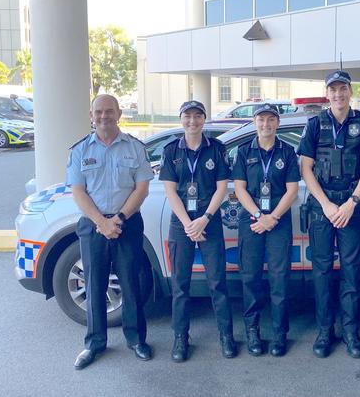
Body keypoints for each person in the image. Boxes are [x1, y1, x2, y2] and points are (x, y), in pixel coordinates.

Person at [297, 70, 360, 358]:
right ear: (327, 93)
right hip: (323, 209)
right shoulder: (314, 125)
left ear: (350, 91)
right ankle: (324, 332)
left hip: (351, 208)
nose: (338, 94)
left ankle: (350, 332)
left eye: (342, 89)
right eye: (333, 90)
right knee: (321, 272)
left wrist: (351, 202)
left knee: (351, 272)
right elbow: (305, 168)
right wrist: (326, 204)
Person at [67, 94, 154, 370]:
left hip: (127, 223)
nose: (104, 116)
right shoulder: (80, 150)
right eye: (99, 112)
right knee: (95, 285)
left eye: (109, 111)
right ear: (91, 116)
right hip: (93, 226)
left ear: (119, 114)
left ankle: (137, 339)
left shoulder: (135, 148)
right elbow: (78, 192)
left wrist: (118, 218)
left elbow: (142, 188)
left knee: (131, 283)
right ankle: (94, 343)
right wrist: (101, 222)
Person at [159, 100, 237, 362]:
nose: (192, 121)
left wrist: (204, 218)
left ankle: (226, 335)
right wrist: (188, 224)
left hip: (209, 220)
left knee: (218, 282)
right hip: (181, 223)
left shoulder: (216, 148)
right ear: (181, 119)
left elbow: (222, 187)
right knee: (180, 284)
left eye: (197, 116)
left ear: (204, 119)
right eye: (187, 116)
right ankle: (180, 338)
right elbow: (170, 190)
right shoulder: (171, 150)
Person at [232, 104, 300, 357]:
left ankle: (280, 334)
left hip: (279, 221)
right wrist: (260, 216)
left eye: (271, 119)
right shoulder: (243, 151)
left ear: (278, 123)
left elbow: (292, 190)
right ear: (254, 122)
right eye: (261, 119)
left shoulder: (288, 152)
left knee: (279, 279)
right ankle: (252, 331)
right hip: (251, 221)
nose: (266, 124)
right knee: (250, 277)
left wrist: (272, 217)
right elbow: (239, 189)